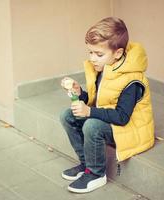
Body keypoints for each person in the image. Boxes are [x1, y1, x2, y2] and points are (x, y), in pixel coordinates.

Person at [60, 17, 155, 193]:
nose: (93, 59)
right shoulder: (105, 67)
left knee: (92, 125)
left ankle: (96, 174)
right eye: (90, 52)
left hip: (129, 129)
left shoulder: (132, 79)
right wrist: (80, 92)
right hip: (112, 120)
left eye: (99, 54)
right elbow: (100, 100)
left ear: (117, 53)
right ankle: (86, 164)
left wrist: (89, 111)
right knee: (67, 115)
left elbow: (121, 117)